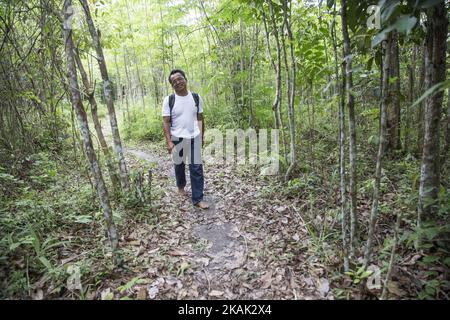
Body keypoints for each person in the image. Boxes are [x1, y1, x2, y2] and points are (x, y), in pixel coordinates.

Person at [162, 69, 209, 209]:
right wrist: (169, 141)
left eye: (180, 79)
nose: (178, 82)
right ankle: (181, 186)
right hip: (177, 137)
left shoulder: (196, 97)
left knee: (196, 168)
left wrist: (201, 135)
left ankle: (198, 198)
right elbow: (166, 121)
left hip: (194, 136)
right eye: (174, 81)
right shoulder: (169, 100)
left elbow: (200, 117)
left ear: (185, 79)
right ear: (172, 85)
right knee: (179, 164)